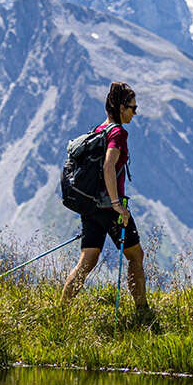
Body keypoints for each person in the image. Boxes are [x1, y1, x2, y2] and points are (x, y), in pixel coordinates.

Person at [60, 82, 150, 320]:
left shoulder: (100, 129)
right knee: (136, 256)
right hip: (110, 208)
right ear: (122, 107)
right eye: (133, 107)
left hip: (91, 207)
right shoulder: (118, 133)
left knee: (87, 261)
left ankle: (61, 313)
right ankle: (142, 311)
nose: (135, 112)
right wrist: (117, 204)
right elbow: (109, 166)